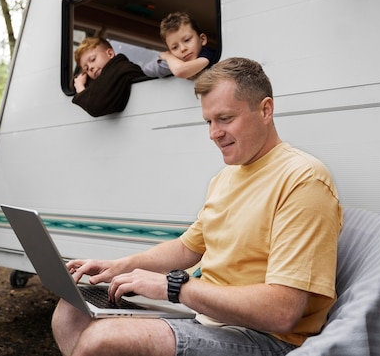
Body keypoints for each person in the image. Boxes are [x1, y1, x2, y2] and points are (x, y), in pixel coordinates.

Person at [52, 57, 343, 356]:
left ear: (265, 110)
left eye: (225, 118)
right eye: (209, 121)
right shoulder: (226, 178)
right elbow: (186, 248)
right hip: (209, 319)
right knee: (69, 314)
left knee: (103, 340)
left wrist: (176, 288)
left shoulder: (303, 179)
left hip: (266, 338)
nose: (213, 133)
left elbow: (283, 311)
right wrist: (117, 266)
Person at [71, 37, 145, 117]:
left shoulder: (123, 69)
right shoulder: (102, 83)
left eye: (93, 59)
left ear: (110, 54)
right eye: (86, 68)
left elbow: (95, 105)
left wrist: (80, 87)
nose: (90, 68)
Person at [142, 12, 217, 79]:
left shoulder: (209, 53)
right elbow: (147, 70)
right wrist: (171, 60)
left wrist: (168, 56)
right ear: (171, 52)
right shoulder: (176, 60)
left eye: (187, 40)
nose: (182, 49)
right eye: (175, 47)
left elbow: (180, 70)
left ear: (202, 39)